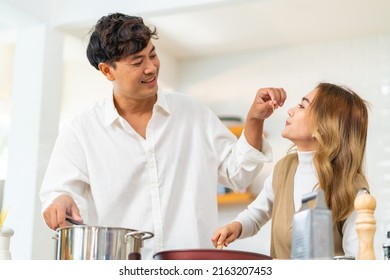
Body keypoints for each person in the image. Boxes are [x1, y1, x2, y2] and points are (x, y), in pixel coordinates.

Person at [39, 12, 287, 259]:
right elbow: (59, 194)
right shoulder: (81, 130)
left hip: (192, 267)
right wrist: (60, 201)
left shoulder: (192, 113)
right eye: (137, 62)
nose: (151, 68)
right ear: (107, 71)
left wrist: (255, 119)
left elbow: (239, 172)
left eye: (153, 54)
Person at [212, 82, 370, 259]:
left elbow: (359, 258)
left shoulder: (352, 187)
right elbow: (256, 214)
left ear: (325, 125)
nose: (290, 110)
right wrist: (235, 227)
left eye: (302, 106)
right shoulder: (283, 169)